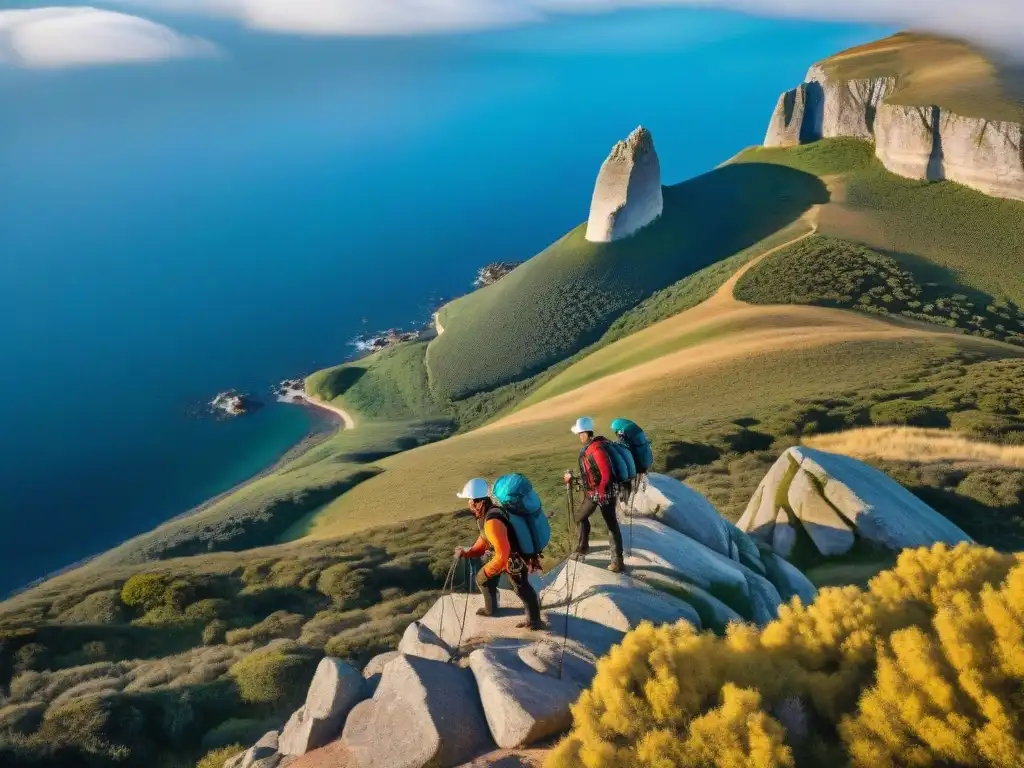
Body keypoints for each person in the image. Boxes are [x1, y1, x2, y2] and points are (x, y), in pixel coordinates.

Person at [454, 478, 545, 630]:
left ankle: (535, 621)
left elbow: (502, 557)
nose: (469, 504)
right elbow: (483, 541)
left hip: (513, 559)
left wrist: (486, 571)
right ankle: (491, 609)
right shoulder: (488, 514)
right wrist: (467, 553)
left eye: (470, 501)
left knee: (520, 587)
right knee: (486, 580)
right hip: (507, 556)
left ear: (479, 502)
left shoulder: (491, 522)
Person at [571, 417, 625, 573]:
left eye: (581, 433)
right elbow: (591, 473)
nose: (580, 436)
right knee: (580, 517)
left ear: (586, 433)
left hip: (604, 493)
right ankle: (583, 547)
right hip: (593, 493)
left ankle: (617, 561)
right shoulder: (591, 447)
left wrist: (601, 492)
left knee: (611, 524)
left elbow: (606, 473)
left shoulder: (596, 449)